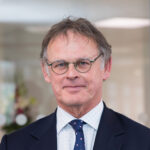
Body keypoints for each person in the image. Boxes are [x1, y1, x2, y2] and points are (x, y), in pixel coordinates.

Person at [0, 17, 150, 150]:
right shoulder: (14, 145)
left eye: (83, 63)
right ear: (46, 72)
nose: (71, 74)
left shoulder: (144, 141)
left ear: (106, 67)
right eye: (60, 65)